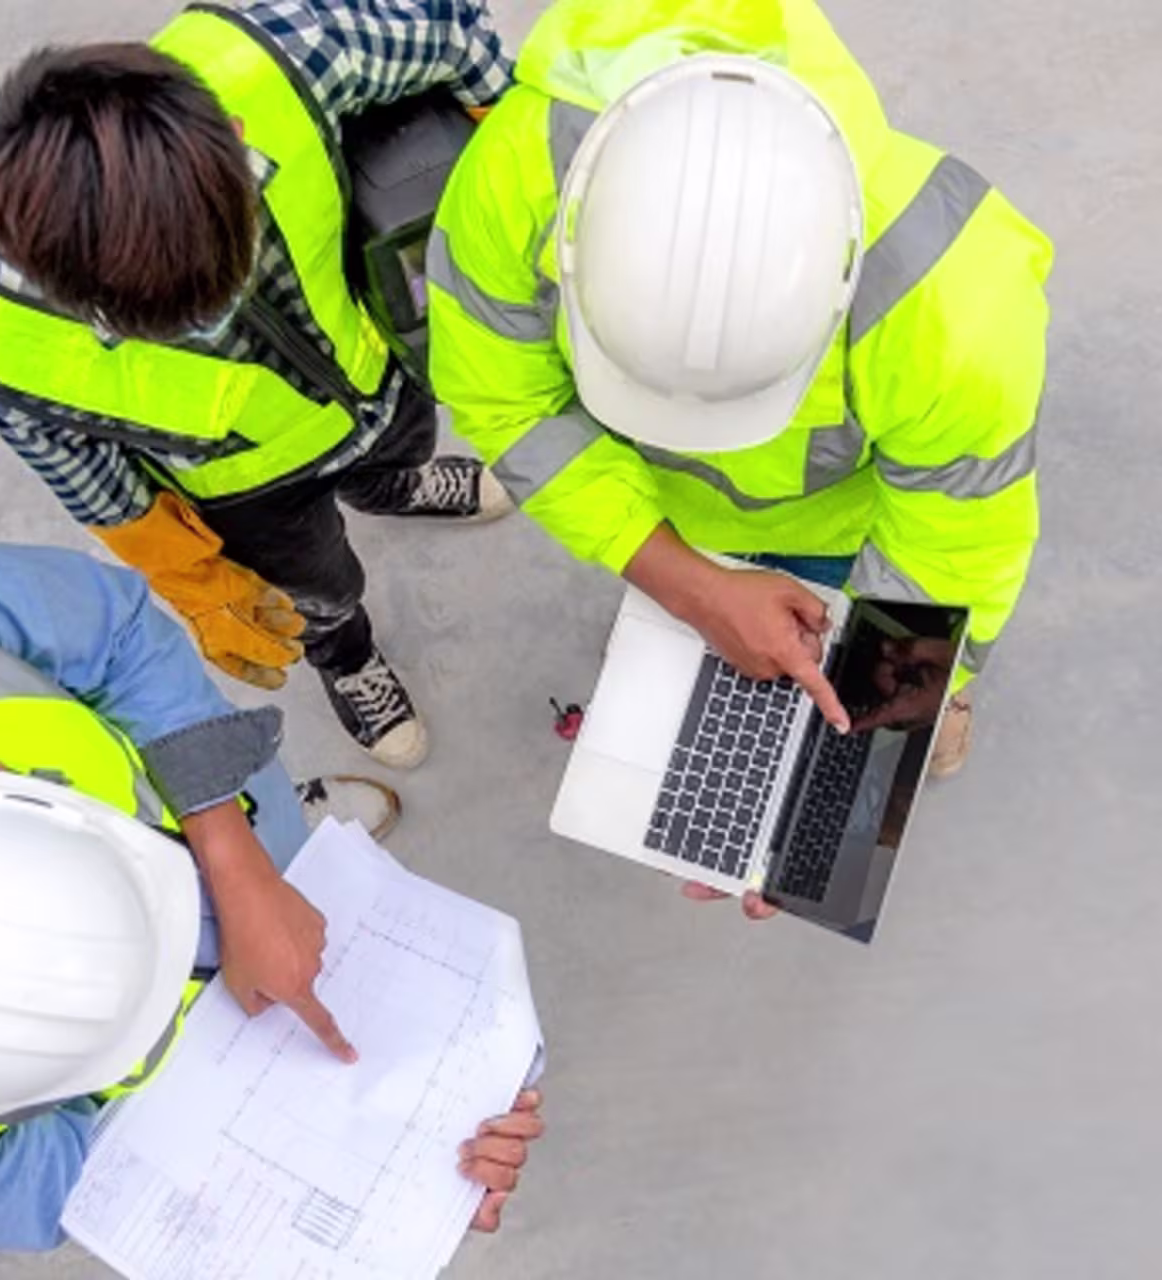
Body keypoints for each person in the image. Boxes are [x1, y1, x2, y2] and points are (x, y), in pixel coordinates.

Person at [0, 541, 543, 1249]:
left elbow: (120, 637)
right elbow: (124, 1186)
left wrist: (237, 855)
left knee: (264, 824)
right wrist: (406, 1164)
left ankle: (288, 830)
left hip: (232, 834)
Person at [424, 0, 1053, 808]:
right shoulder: (519, 176)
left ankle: (924, 711)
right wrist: (683, 582)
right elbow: (505, 403)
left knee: (869, 705)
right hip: (661, 517)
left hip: (847, 536)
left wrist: (872, 713)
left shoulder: (952, 302)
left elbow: (951, 551)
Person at [0, 0, 524, 769]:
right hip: (253, 492)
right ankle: (346, 657)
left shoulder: (289, 57)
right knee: (318, 591)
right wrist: (197, 578)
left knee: (402, 446)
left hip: (377, 374)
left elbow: (451, 30)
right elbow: (97, 485)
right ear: (63, 285)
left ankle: (388, 485)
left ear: (233, 138)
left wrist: (519, 173)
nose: (217, 320)